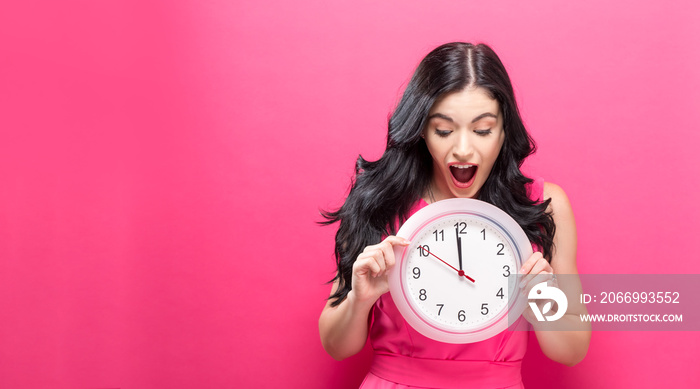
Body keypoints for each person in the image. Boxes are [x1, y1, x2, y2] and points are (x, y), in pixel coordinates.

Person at [319, 42, 590, 389]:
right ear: (420, 130)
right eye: (444, 130)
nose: (462, 149)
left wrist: (540, 300)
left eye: (482, 130)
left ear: (505, 130)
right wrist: (359, 299)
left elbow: (571, 351)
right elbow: (336, 346)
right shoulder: (379, 201)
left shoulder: (544, 203)